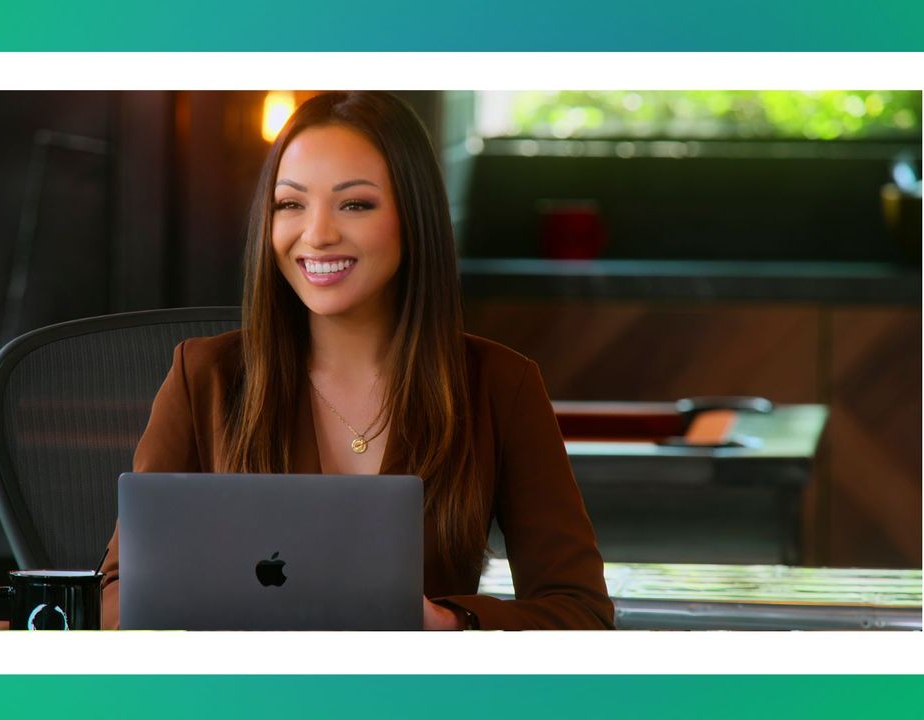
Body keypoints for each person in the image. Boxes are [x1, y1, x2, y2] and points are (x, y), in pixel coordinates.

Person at [98, 91, 613, 630]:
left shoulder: (500, 385)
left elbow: (580, 611)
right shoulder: (203, 375)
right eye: (291, 204)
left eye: (355, 204)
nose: (317, 235)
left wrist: (448, 623)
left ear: (413, 217)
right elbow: (116, 597)